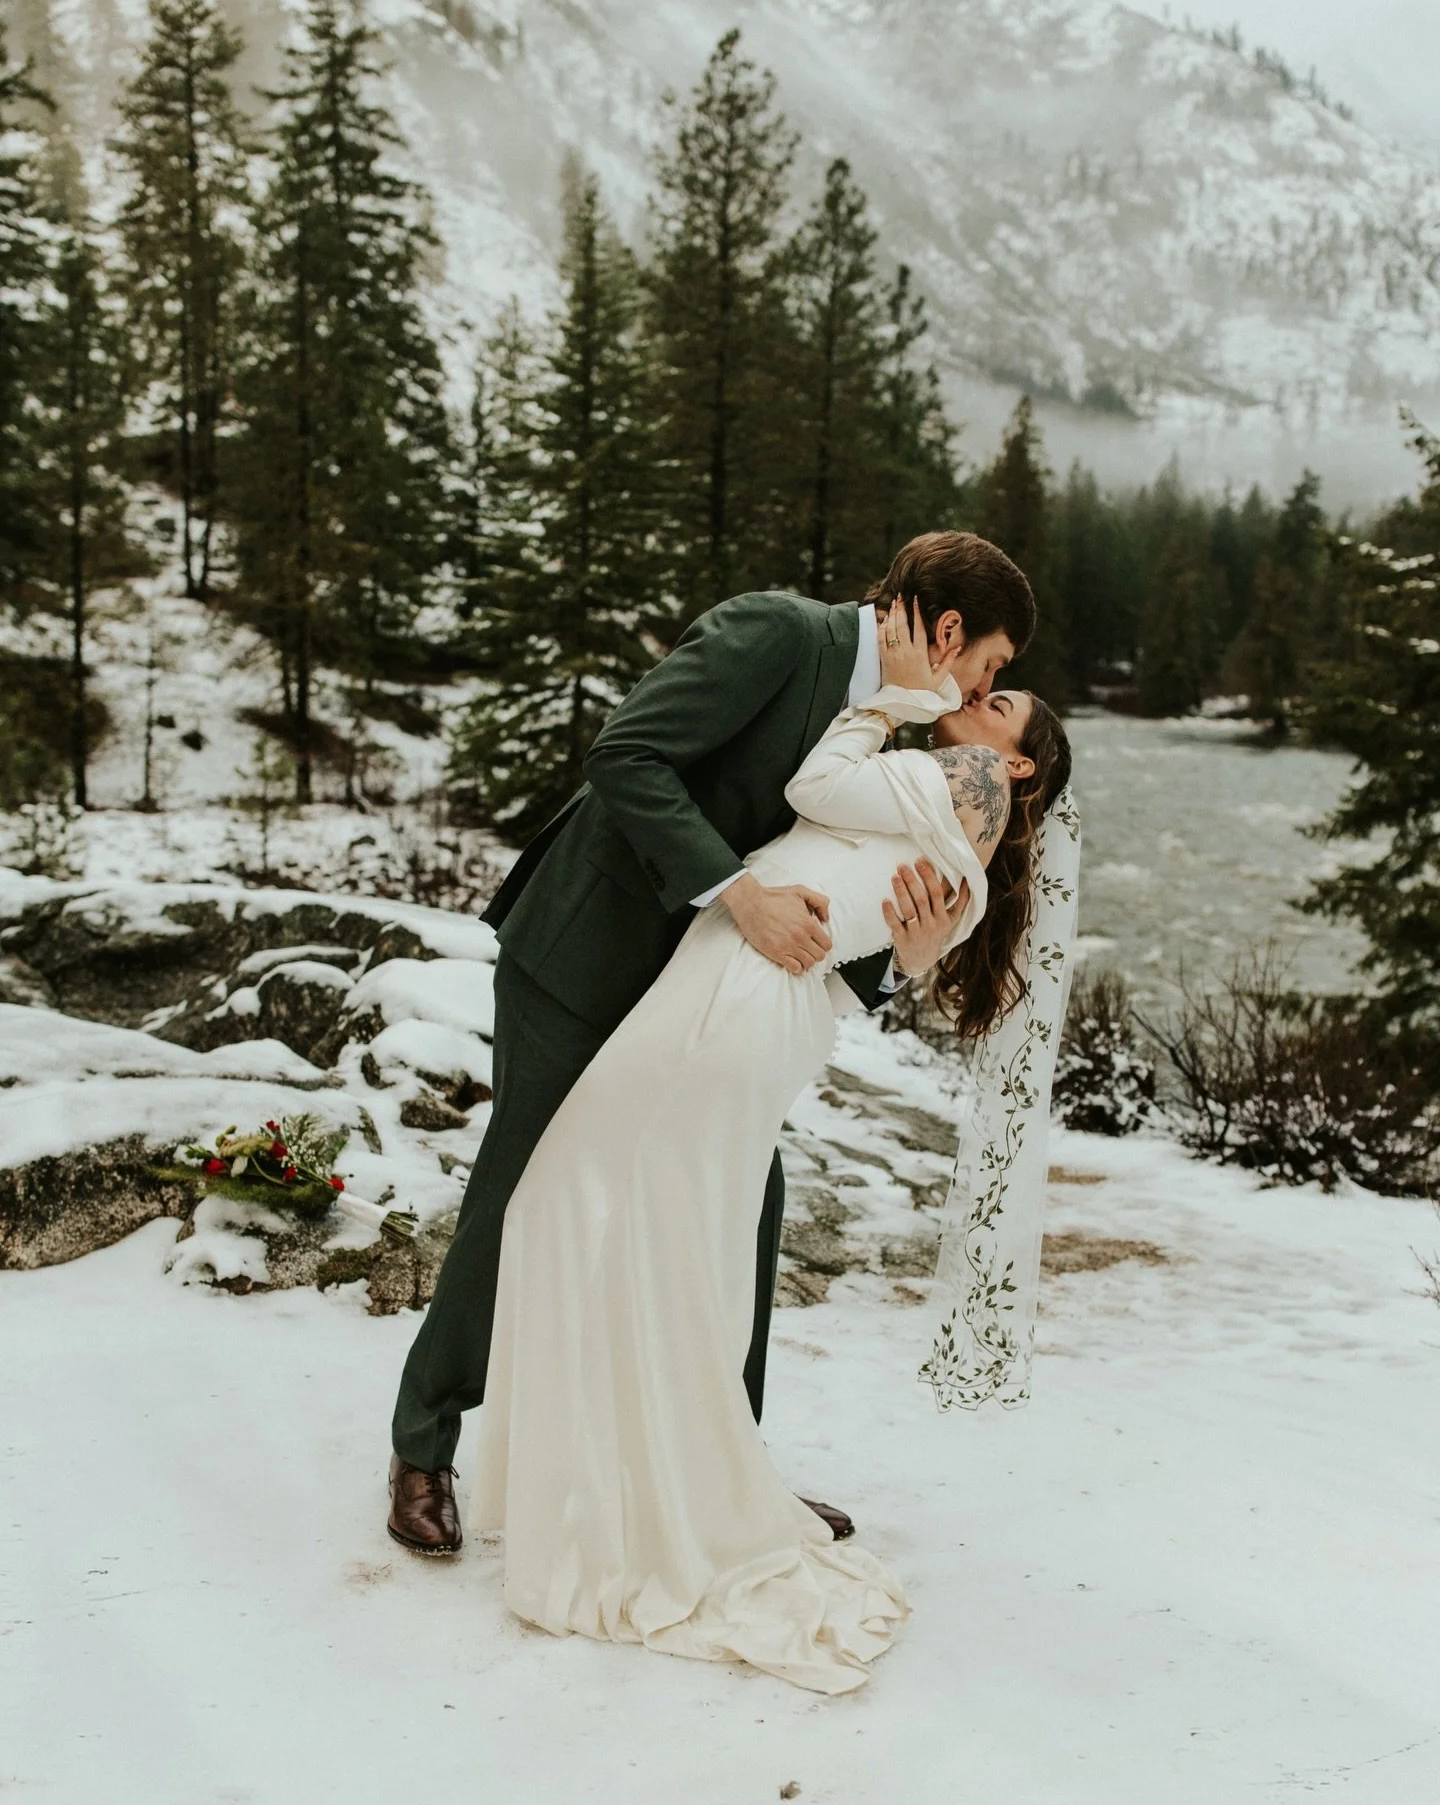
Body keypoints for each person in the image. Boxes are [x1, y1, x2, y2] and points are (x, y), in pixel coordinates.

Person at [387, 530, 1036, 1554]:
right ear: (950, 631)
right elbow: (625, 755)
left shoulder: (905, 736)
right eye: (992, 667)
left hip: (697, 996)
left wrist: (899, 958)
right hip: (586, 956)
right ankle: (423, 1446)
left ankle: (725, 1476)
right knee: (520, 1184)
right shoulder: (778, 632)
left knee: (750, 1201)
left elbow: (841, 876)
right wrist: (741, 898)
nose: (986, 688)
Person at [470, 603, 1072, 1692]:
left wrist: (890, 701)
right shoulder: (941, 784)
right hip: (744, 981)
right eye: (989, 675)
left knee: (580, 1202)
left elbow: (810, 796)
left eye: (1005, 702)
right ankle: (647, 1477)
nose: (983, 696)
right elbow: (877, 908)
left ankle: (659, 1499)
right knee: (650, 1224)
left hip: (744, 989)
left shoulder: (965, 780)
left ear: (1021, 772)